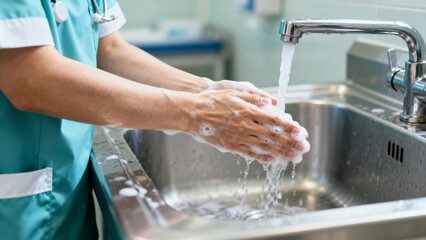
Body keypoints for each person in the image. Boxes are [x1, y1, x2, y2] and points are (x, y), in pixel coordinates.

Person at [0, 0, 307, 239]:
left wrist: (205, 90)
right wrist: (198, 113)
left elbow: (110, 49)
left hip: (63, 200)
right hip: (12, 212)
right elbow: (30, 78)